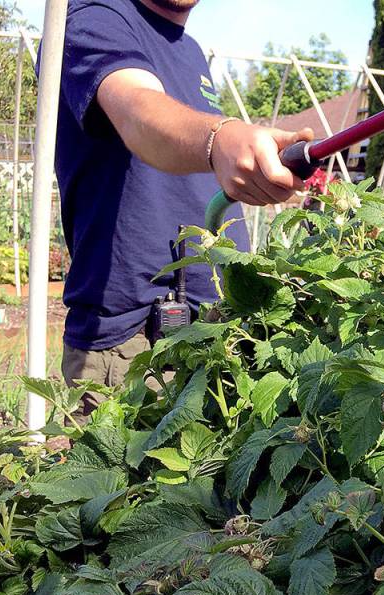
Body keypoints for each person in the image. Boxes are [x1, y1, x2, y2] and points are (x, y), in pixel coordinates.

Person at [54, 0, 312, 409]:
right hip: (136, 345)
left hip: (216, 328)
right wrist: (219, 139)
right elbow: (139, 109)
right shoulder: (96, 16)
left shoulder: (188, 49)